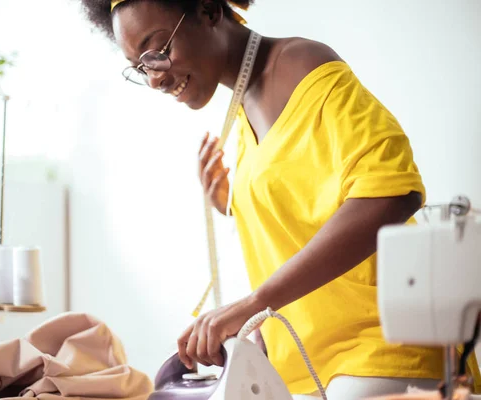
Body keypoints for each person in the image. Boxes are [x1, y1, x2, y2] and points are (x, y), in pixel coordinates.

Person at [78, 1, 481, 398]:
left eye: (158, 51)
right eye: (140, 65)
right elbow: (305, 215)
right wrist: (231, 205)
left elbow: (393, 192)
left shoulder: (303, 65)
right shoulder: (241, 110)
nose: (154, 78)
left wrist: (251, 306)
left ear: (208, 11)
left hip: (379, 354)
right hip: (306, 367)